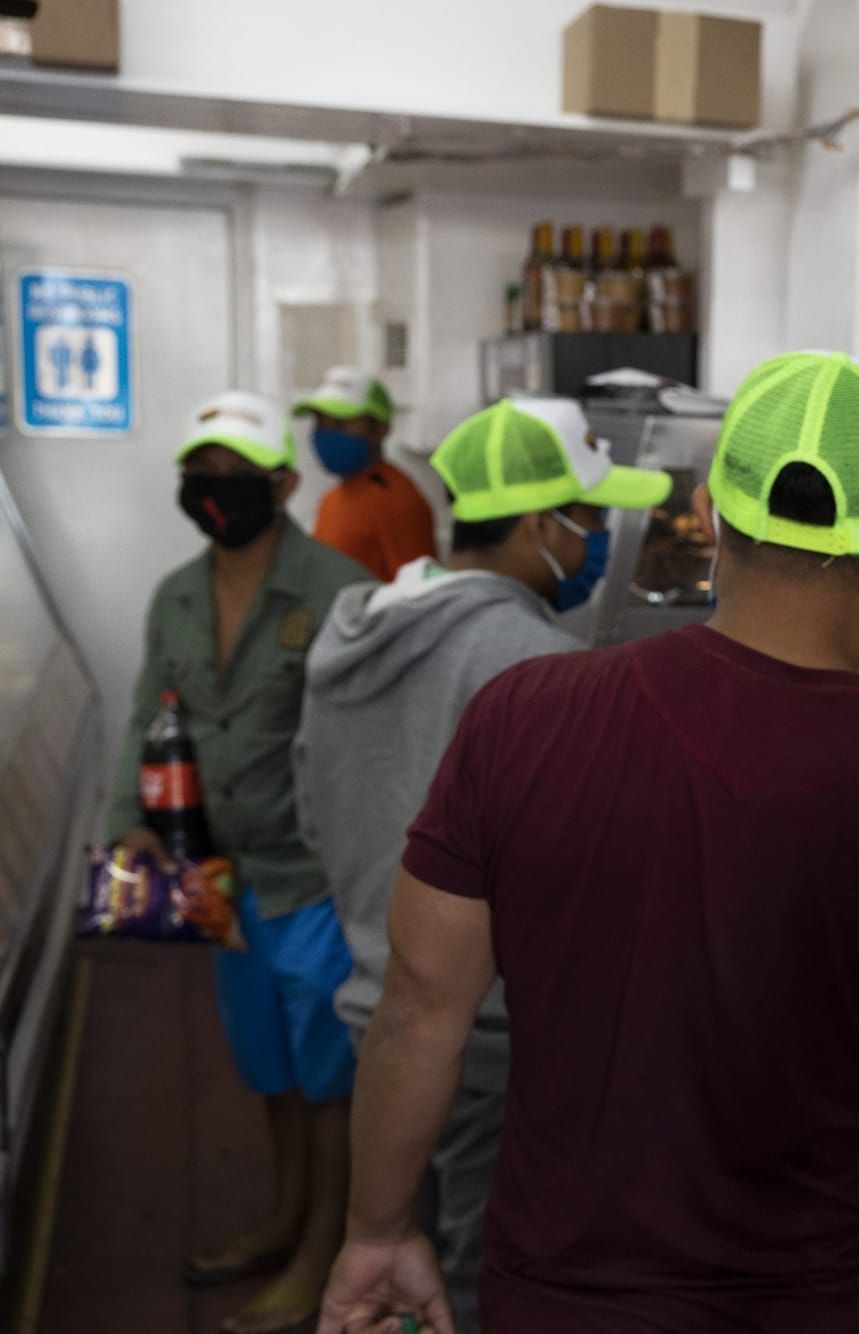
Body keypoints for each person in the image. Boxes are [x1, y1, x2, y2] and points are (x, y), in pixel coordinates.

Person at [315, 352, 859, 1334]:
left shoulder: (524, 714)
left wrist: (378, 1230)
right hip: (814, 1303)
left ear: (714, 519)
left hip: (557, 1296)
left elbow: (418, 1010)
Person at [293, 397, 651, 1334]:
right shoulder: (535, 666)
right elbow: (582, 882)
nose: (602, 542)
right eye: (594, 519)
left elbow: (312, 815)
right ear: (541, 524)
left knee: (404, 1260)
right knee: (487, 1279)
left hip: (373, 1016)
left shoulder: (353, 634)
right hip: (490, 1042)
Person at [108, 390, 375, 1334]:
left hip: (312, 880)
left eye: (233, 477)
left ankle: (325, 1250)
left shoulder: (338, 589)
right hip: (219, 875)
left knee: (328, 1077)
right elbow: (152, 712)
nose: (213, 493)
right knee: (266, 1065)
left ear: (284, 485)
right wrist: (126, 821)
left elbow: (366, 748)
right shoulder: (175, 595)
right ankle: (283, 1214)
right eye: (198, 476)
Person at [298, 366, 437, 581]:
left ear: (380, 429)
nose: (327, 433)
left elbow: (422, 598)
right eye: (320, 422)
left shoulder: (397, 502)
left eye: (340, 422)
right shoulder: (332, 499)